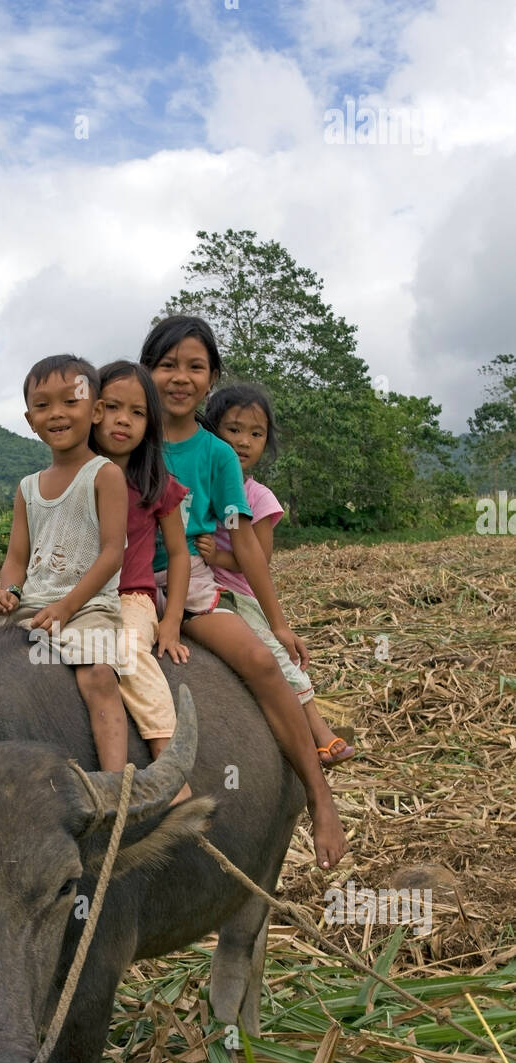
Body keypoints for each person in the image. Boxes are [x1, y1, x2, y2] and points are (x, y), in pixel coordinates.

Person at [139, 314, 347, 870]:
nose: (179, 378)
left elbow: (247, 544)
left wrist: (276, 622)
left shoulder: (217, 455)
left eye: (195, 367)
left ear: (211, 380)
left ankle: (318, 796)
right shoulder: (128, 435)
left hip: (192, 584)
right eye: (166, 366)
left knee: (260, 660)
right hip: (127, 580)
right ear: (146, 371)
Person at [0, 353, 129, 772]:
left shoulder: (104, 475)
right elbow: (16, 559)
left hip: (87, 607)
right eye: (43, 405)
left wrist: (67, 606)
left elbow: (113, 553)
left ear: (95, 411)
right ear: (29, 419)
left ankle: (117, 784)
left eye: (69, 401)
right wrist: (8, 592)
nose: (56, 413)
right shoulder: (27, 488)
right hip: (31, 605)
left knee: (97, 676)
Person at [199, 384, 356, 768]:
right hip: (196, 587)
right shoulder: (200, 484)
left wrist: (219, 554)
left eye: (256, 434)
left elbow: (259, 558)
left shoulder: (258, 497)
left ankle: (317, 730)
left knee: (273, 656)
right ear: (211, 431)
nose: (243, 441)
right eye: (233, 430)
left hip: (237, 593)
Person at [91, 360, 192, 800]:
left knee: (129, 653)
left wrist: (169, 623)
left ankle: (170, 765)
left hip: (130, 597)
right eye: (112, 407)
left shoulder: (157, 483)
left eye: (136, 413)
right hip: (77, 596)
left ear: (150, 424)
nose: (122, 420)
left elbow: (179, 554)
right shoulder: (76, 477)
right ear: (92, 410)